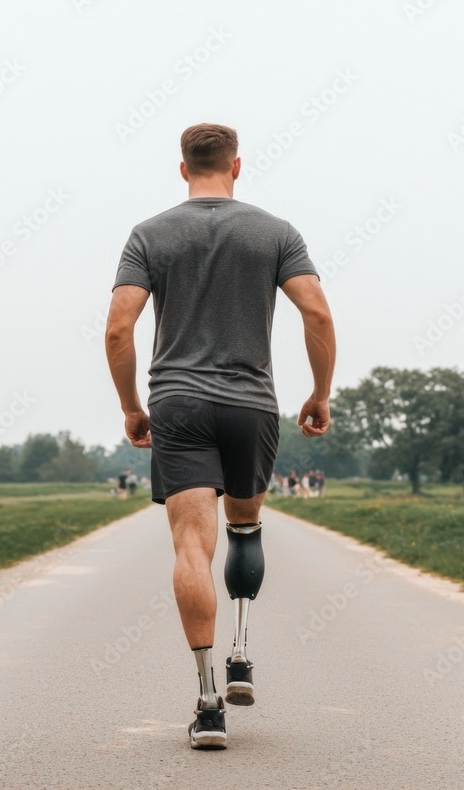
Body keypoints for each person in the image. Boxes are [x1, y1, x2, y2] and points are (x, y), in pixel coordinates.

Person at [104, 123, 336, 750]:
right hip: (251, 404)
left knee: (190, 547)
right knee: (244, 526)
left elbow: (119, 329)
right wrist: (320, 393)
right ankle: (240, 652)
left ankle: (208, 704)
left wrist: (131, 407)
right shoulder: (276, 232)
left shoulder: (149, 234)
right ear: (237, 166)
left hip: (177, 404)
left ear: (183, 169)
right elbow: (316, 312)